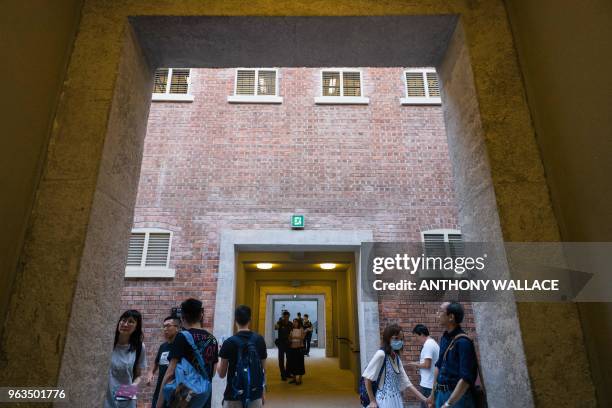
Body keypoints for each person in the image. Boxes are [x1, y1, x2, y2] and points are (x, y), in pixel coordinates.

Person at [156, 298, 219, 408]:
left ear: (182, 317)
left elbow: (170, 373)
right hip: (202, 399)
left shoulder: (181, 337)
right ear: (201, 315)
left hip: (183, 399)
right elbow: (212, 373)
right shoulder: (212, 339)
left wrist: (158, 404)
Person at [362, 324, 428, 408]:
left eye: (401, 339)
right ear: (387, 338)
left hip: (396, 399)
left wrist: (425, 399)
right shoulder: (381, 354)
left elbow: (407, 381)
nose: (399, 341)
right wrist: (372, 401)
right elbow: (367, 378)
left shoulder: (396, 358)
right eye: (396, 338)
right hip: (384, 401)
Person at [426, 302, 477, 408]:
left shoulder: (463, 342)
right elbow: (438, 366)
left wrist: (449, 403)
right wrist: (433, 394)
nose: (437, 314)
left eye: (440, 311)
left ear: (451, 317)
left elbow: (466, 379)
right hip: (441, 394)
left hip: (458, 398)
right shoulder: (444, 338)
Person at [217, 305, 267, 407]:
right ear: (250, 320)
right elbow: (263, 369)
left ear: (235, 320)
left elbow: (222, 374)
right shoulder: (259, 340)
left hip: (233, 395)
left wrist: (218, 357)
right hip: (254, 394)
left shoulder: (228, 342)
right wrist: (263, 391)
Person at [104, 309, 147, 408]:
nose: (125, 324)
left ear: (136, 327)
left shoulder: (139, 347)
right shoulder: (107, 342)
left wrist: (130, 390)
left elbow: (138, 376)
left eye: (131, 321)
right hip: (104, 395)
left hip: (125, 396)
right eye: (123, 320)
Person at [147, 316, 180, 408]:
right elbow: (156, 362)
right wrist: (150, 373)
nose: (165, 329)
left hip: (174, 391)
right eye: (164, 326)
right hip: (160, 389)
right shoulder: (163, 346)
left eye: (168, 326)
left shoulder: (180, 347)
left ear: (177, 328)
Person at [408, 324, 440, 407]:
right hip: (430, 383)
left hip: (428, 384)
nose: (416, 339)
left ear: (421, 334)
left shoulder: (428, 345)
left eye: (416, 337)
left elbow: (427, 365)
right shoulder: (432, 343)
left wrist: (416, 365)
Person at [274, 310, 292, 381]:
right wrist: (279, 322)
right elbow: (276, 327)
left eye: (287, 317)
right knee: (281, 360)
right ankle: (283, 375)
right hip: (281, 343)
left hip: (288, 343)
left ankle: (288, 373)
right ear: (283, 316)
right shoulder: (280, 322)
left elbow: (292, 332)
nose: (286, 318)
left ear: (289, 316)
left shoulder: (290, 324)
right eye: (285, 317)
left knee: (289, 359)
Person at [286, 318, 305, 385]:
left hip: (299, 348)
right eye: (293, 322)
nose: (294, 323)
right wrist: (291, 338)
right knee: (293, 364)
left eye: (296, 322)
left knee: (300, 364)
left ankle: (300, 379)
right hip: (292, 348)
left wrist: (294, 338)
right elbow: (289, 338)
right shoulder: (291, 329)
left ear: (298, 323)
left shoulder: (301, 329)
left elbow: (302, 338)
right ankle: (294, 378)